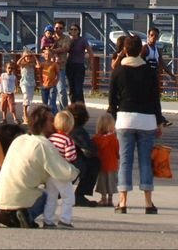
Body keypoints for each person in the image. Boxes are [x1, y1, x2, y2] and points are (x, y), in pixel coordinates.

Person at [0, 105, 78, 228]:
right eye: (51, 120)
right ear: (42, 123)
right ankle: (28, 215)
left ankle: (8, 216)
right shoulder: (44, 144)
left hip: (2, 196)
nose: (55, 123)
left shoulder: (20, 139)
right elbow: (64, 172)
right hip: (21, 198)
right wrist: (77, 170)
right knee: (47, 196)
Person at [108, 33, 162, 215]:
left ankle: (122, 202)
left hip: (124, 119)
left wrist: (116, 116)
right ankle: (148, 202)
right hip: (147, 120)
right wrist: (159, 121)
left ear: (125, 50)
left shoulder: (118, 71)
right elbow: (156, 99)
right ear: (141, 50)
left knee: (125, 161)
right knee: (145, 161)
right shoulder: (149, 71)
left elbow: (111, 100)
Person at [43, 110, 78, 228]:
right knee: (68, 197)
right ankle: (65, 219)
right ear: (70, 126)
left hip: (50, 172)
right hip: (62, 172)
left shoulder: (51, 138)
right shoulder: (68, 140)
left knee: (51, 197)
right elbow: (70, 156)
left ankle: (48, 220)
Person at [66, 101, 100, 207]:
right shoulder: (77, 130)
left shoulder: (65, 128)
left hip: (60, 162)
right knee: (94, 162)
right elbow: (90, 149)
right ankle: (80, 195)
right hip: (71, 164)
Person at [91, 113, 119, 207]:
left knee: (102, 182)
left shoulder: (96, 138)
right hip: (113, 164)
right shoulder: (114, 139)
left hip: (101, 164)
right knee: (111, 182)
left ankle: (103, 199)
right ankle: (110, 199)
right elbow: (117, 151)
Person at [65, 24, 90, 106]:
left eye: (75, 29)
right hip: (69, 65)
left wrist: (88, 63)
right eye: (71, 29)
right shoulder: (68, 40)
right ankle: (73, 106)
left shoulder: (82, 40)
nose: (73, 31)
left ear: (78, 31)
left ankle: (81, 107)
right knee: (71, 88)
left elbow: (90, 53)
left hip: (79, 65)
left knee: (78, 88)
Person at [51, 20, 72, 107]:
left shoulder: (66, 38)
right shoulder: (50, 37)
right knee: (52, 91)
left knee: (61, 90)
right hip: (50, 67)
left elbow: (65, 48)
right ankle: (52, 111)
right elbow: (45, 48)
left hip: (60, 67)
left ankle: (64, 110)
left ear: (63, 29)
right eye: (56, 28)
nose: (58, 29)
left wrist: (53, 50)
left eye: (60, 28)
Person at [39, 49, 59, 115]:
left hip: (52, 86)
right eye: (46, 54)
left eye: (49, 54)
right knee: (44, 104)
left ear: (52, 56)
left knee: (52, 104)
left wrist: (55, 83)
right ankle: (45, 118)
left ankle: (54, 118)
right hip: (44, 86)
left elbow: (57, 75)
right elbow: (39, 74)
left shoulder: (54, 64)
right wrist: (41, 83)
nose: (48, 55)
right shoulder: (42, 64)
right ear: (44, 55)